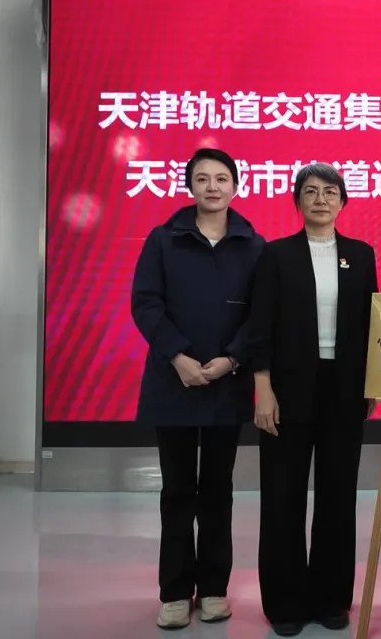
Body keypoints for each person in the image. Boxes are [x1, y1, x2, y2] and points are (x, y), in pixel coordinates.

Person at [130, 148, 266, 630]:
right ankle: (173, 592)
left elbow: (261, 314)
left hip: (227, 384)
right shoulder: (163, 239)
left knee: (217, 491)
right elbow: (146, 303)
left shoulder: (254, 245)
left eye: (222, 178)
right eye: (203, 178)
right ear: (189, 186)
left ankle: (212, 589)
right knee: (177, 491)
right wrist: (178, 356)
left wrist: (232, 359)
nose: (212, 186)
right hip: (175, 383)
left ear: (235, 186)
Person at [248, 162, 379, 637]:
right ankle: (284, 603)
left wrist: (372, 385)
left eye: (330, 192)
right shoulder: (276, 255)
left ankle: (330, 598)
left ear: (343, 202)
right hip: (287, 390)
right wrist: (263, 388)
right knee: (282, 496)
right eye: (310, 191)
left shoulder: (361, 255)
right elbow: (260, 325)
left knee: (338, 496)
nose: (320, 199)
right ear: (297, 201)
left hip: (344, 390)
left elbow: (371, 325)